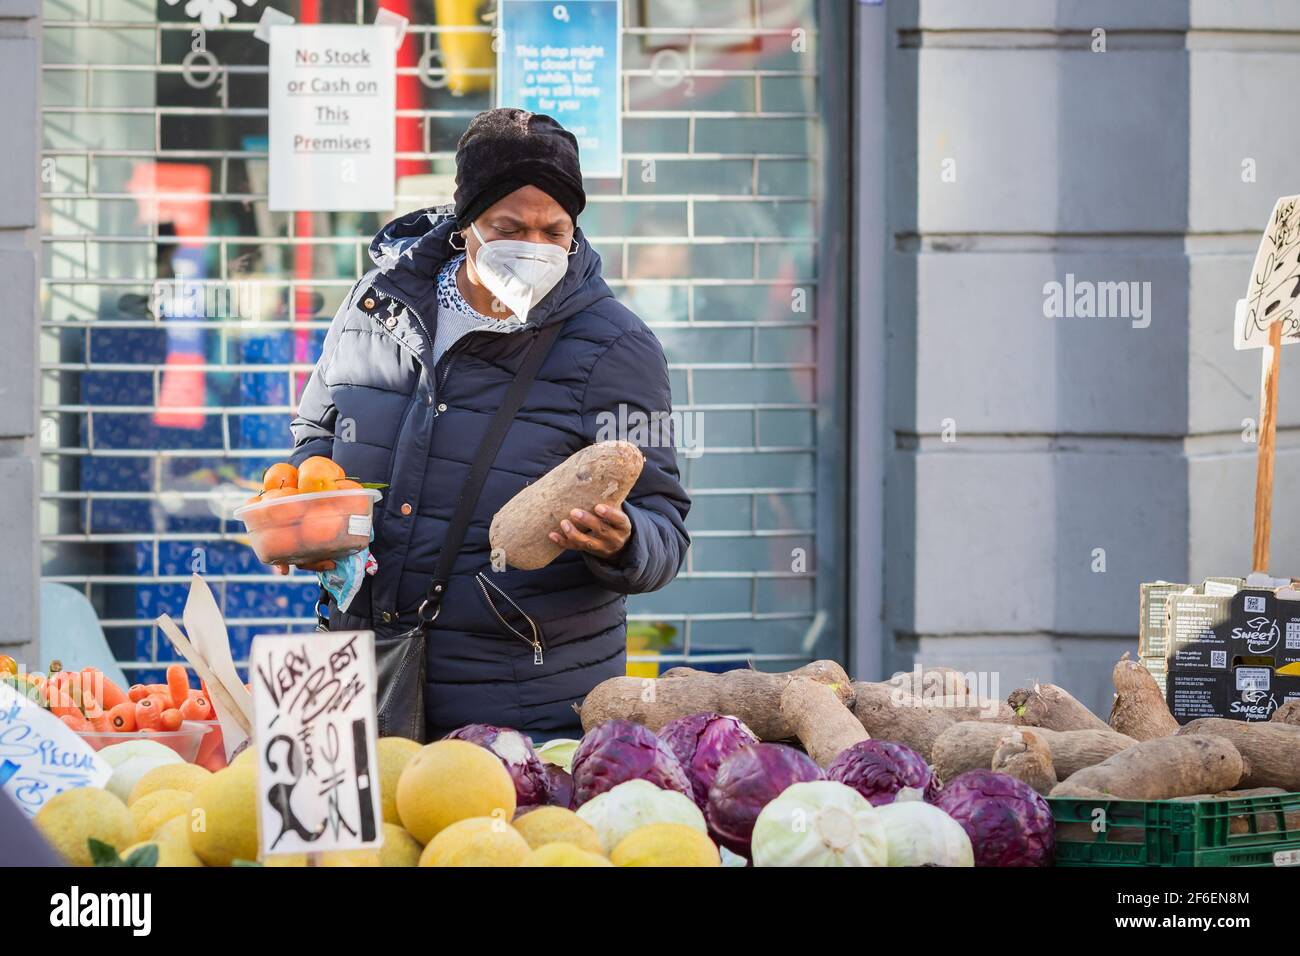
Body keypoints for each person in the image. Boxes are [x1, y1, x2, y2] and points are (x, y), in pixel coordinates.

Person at [285, 108, 690, 738]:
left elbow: (665, 528)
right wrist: (306, 514)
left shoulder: (617, 348)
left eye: (554, 232)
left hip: (522, 703)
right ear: (465, 222)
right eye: (509, 227)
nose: (532, 247)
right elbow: (315, 433)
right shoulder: (377, 305)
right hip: (355, 671)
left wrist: (625, 541)